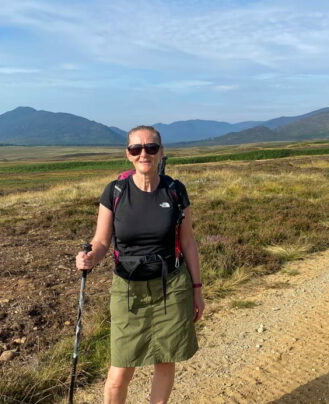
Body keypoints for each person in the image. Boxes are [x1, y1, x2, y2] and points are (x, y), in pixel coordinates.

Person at [75, 125, 204, 404]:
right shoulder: (115, 192)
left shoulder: (175, 191)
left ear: (161, 151)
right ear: (128, 155)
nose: (144, 153)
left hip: (171, 285)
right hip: (128, 289)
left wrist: (197, 289)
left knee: (166, 360)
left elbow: (189, 242)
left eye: (151, 147)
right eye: (136, 148)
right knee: (119, 372)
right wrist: (89, 258)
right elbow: (100, 242)